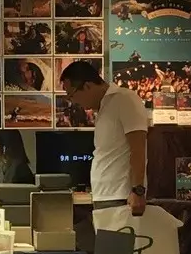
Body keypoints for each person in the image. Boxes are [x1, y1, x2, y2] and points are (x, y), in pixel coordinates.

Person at [61, 59, 149, 230]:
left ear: (87, 86)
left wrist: (138, 190)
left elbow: (138, 147)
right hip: (105, 194)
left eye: (71, 95)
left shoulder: (125, 99)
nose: (73, 101)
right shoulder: (104, 107)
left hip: (121, 196)